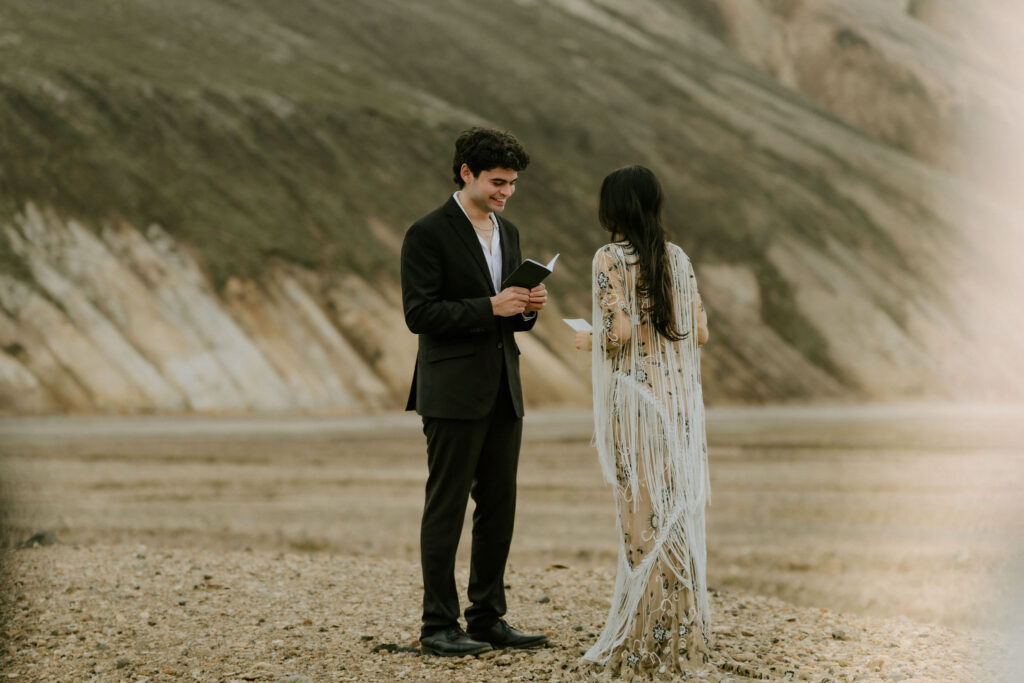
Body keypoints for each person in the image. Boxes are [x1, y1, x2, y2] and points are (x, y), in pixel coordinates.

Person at [401, 127, 550, 657]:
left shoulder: (507, 233)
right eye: (496, 182)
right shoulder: (427, 233)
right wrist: (491, 305)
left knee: (499, 508)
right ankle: (437, 625)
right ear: (466, 172)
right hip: (451, 392)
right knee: (445, 509)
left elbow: (507, 318)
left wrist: (526, 308)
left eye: (511, 184)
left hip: (503, 389)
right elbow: (418, 314)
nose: (506, 192)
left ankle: (487, 618)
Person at [574, 165, 712, 677]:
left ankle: (642, 643)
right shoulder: (677, 258)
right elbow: (697, 333)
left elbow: (619, 334)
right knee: (675, 516)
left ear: (615, 208)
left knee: (641, 521)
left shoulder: (608, 258)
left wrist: (592, 337)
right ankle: (679, 638)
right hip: (676, 406)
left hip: (635, 405)